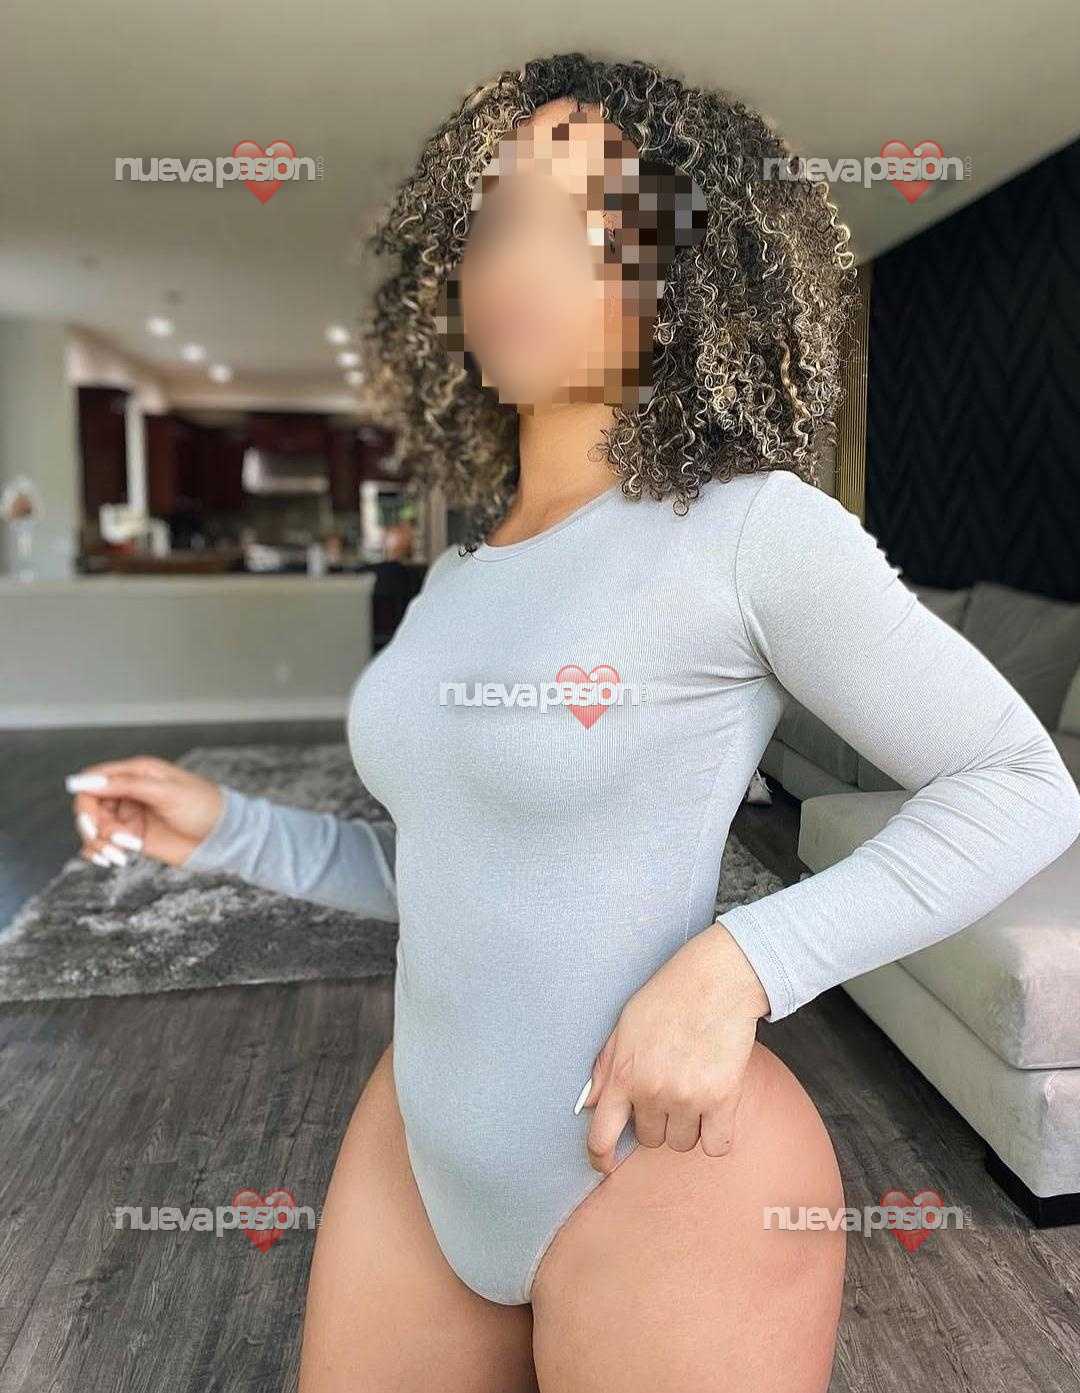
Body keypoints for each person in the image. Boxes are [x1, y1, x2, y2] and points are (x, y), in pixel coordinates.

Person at [67, 54, 1080, 1393]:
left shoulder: (751, 532)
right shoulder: (454, 581)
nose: (520, 261)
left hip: (660, 1167)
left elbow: (1020, 779)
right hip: (419, 1147)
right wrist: (224, 830)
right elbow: (441, 874)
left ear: (687, 272)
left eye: (593, 221)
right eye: (498, 220)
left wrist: (741, 964)